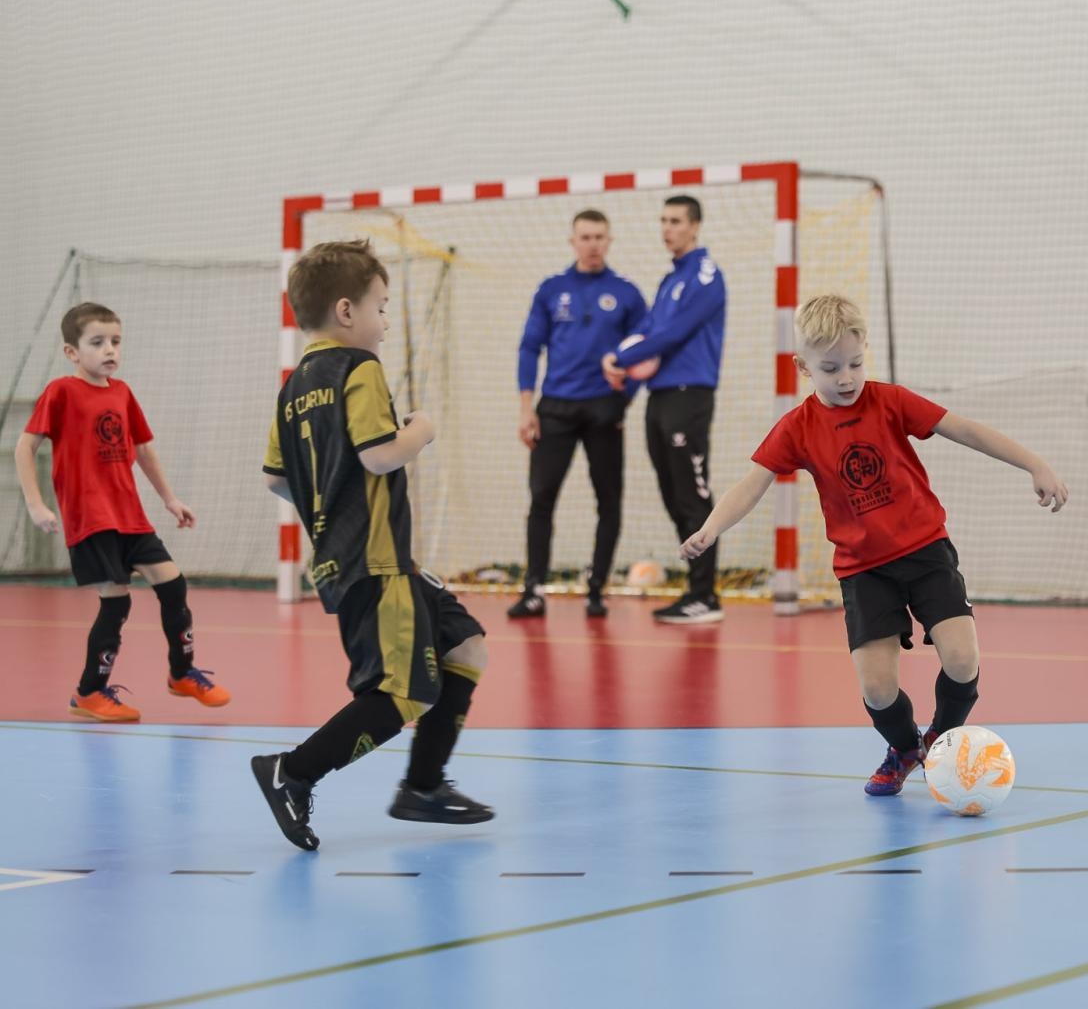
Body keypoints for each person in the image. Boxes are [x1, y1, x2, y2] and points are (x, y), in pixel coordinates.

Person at [680, 294, 1068, 794]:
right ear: (802, 367)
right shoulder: (797, 428)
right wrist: (711, 529)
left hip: (926, 550)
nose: (846, 378)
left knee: (963, 658)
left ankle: (941, 743)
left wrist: (1034, 463)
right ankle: (905, 748)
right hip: (863, 569)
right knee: (878, 688)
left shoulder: (889, 401)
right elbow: (752, 484)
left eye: (856, 364)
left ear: (866, 352)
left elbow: (964, 429)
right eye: (830, 368)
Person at [255, 239, 492, 851]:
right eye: (380, 308)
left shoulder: (293, 386)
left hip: (358, 557)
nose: (384, 322)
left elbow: (278, 478)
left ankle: (423, 785)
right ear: (345, 312)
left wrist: (331, 509)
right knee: (402, 691)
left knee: (464, 643)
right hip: (374, 560)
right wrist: (421, 430)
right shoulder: (358, 368)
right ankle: (294, 770)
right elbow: (379, 454)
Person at [15, 302, 230, 722]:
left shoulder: (122, 392)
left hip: (130, 516)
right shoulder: (61, 391)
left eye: (115, 341)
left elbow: (145, 450)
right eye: (97, 342)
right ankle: (89, 692)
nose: (109, 349)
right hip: (91, 520)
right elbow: (26, 446)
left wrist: (170, 499)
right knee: (116, 604)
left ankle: (182, 673)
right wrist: (36, 503)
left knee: (174, 585)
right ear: (72, 353)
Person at [510, 209, 648, 620]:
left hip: (605, 410)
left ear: (610, 240)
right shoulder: (552, 290)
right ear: (573, 241)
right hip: (555, 409)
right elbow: (529, 347)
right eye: (585, 237)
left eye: (599, 237)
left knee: (609, 500)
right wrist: (525, 408)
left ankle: (597, 589)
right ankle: (533, 589)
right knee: (541, 499)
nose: (592, 244)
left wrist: (624, 400)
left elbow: (646, 351)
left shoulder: (626, 293)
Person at [604, 195, 728, 625]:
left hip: (689, 395)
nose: (667, 229)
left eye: (675, 221)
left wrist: (618, 359)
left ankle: (705, 595)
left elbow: (672, 335)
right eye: (662, 220)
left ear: (694, 225)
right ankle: (694, 591)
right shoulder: (669, 280)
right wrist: (622, 371)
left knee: (693, 494)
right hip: (660, 397)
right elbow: (649, 335)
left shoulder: (705, 276)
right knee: (672, 494)